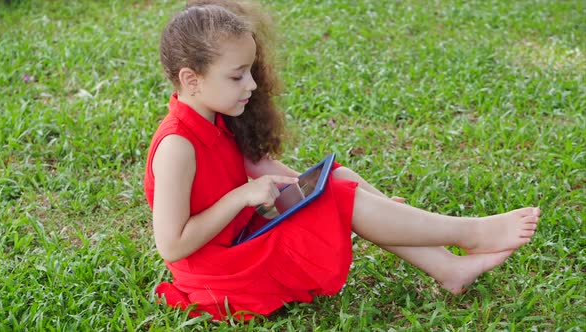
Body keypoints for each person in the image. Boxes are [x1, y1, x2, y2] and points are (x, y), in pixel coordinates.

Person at [143, 0, 540, 321]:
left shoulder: (215, 117)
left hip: (241, 240)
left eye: (250, 72)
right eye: (237, 76)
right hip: (222, 275)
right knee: (337, 192)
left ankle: (450, 270)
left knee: (338, 178)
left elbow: (265, 170)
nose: (251, 84)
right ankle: (468, 234)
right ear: (191, 79)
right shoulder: (178, 145)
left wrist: (353, 200)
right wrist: (241, 198)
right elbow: (172, 245)